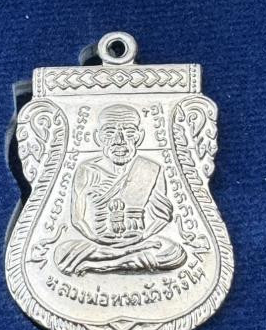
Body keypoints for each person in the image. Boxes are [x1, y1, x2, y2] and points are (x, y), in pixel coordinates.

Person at [54, 104, 186, 276]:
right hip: (98, 244)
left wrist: (143, 237)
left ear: (140, 136)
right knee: (62, 252)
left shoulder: (150, 169)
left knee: (174, 252)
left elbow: (162, 217)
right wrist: (95, 238)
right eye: (110, 132)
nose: (119, 140)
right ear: (98, 137)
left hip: (139, 242)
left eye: (129, 132)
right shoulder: (87, 170)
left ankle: (106, 263)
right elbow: (77, 219)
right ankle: (126, 259)